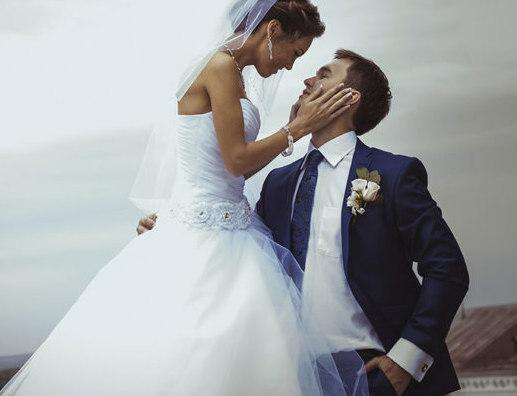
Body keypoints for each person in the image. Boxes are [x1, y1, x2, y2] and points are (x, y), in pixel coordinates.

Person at [0, 0, 367, 395]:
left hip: (231, 228)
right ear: (273, 31)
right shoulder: (219, 66)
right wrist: (296, 129)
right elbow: (236, 160)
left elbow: (232, 169)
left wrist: (289, 131)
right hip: (204, 235)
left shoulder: (237, 74)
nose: (290, 65)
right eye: (294, 52)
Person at [138, 50, 469, 396]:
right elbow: (241, 251)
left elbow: (447, 269)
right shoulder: (278, 184)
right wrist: (174, 229)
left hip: (378, 372)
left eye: (324, 75)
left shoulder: (392, 175)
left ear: (348, 97)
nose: (308, 80)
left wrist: (406, 361)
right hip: (295, 376)